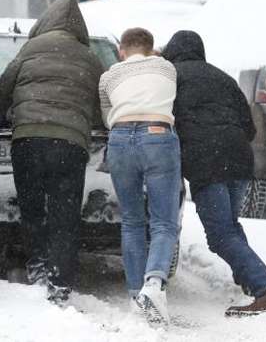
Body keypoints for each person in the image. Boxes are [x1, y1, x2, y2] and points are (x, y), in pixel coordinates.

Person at [163, 30, 266, 317]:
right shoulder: (223, 79)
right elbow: (250, 127)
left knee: (219, 235)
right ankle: (251, 279)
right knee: (229, 226)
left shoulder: (171, 78)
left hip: (207, 162)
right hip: (240, 159)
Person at [0, 0, 104, 303]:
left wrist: (0, 115)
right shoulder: (90, 58)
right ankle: (60, 281)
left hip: (28, 139)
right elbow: (100, 108)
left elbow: (2, 92)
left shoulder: (29, 49)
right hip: (70, 143)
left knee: (32, 208)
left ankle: (38, 265)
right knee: (65, 214)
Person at [99, 28, 181, 326]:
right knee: (163, 221)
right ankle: (154, 285)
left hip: (120, 138)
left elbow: (105, 114)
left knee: (132, 221)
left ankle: (137, 296)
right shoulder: (165, 67)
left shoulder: (108, 76)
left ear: (121, 50)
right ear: (151, 48)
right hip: (158, 134)